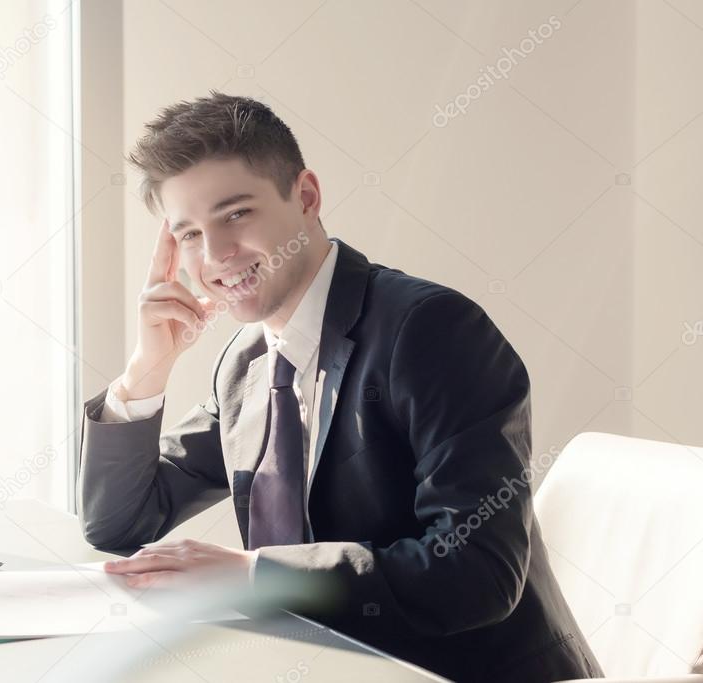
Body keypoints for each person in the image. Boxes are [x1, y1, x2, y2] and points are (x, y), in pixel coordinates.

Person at [77, 91, 603, 682]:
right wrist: (147, 370)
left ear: (305, 197)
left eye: (236, 214)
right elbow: (119, 524)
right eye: (190, 234)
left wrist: (254, 574)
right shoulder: (246, 363)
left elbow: (477, 575)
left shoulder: (429, 330)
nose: (217, 254)